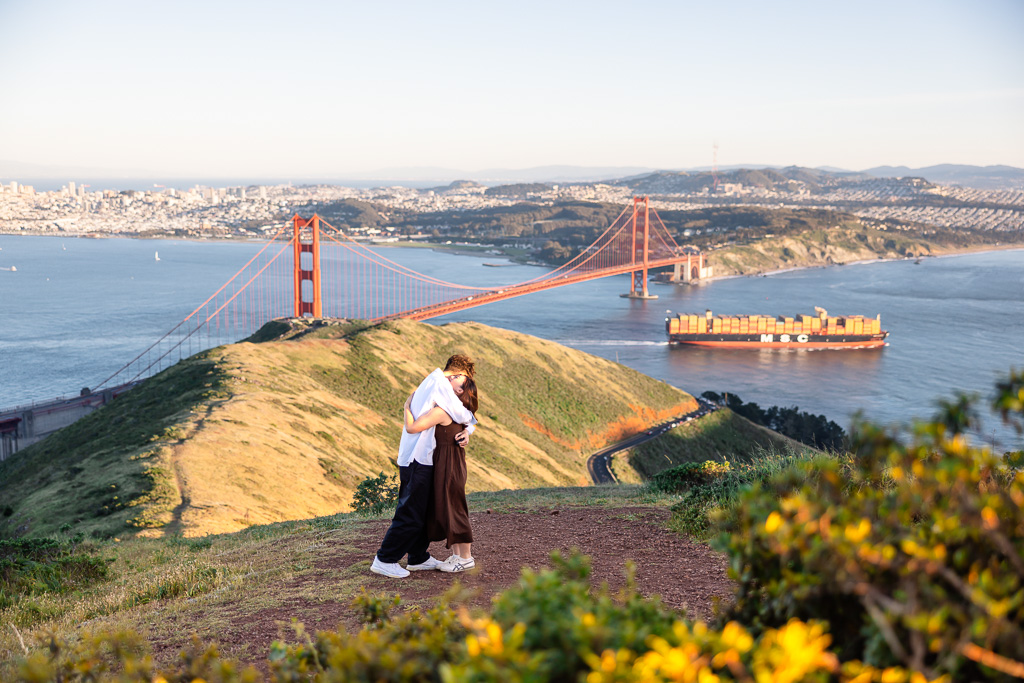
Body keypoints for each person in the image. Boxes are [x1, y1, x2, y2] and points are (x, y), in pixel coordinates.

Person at [370, 355, 478, 578]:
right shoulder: (438, 383)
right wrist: (406, 408)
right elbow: (459, 413)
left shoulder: (440, 387)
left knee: (424, 510)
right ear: (455, 376)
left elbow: (464, 416)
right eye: (463, 383)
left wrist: (468, 431)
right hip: (417, 460)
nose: (463, 390)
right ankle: (385, 559)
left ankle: (417, 557)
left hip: (428, 460)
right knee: (411, 513)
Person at [405, 376, 477, 572]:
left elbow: (412, 428)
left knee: (455, 509)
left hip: (449, 465)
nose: (450, 377)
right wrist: (468, 432)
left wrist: (406, 407)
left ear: (460, 391)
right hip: (448, 463)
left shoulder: (442, 411)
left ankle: (466, 558)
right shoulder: (457, 409)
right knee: (448, 508)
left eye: (456, 378)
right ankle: (456, 555)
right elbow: (470, 420)